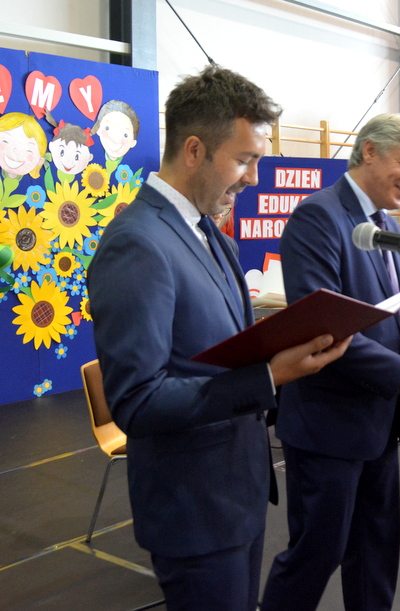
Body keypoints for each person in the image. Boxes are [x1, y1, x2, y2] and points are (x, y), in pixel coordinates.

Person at [87, 65, 350, 611]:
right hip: (193, 510)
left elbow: (218, 354)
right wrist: (269, 376)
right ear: (194, 150)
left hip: (236, 494)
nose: (253, 178)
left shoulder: (211, 234)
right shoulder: (137, 244)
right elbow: (136, 401)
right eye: (245, 159)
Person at [262, 113, 400, 611]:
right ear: (368, 152)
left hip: (378, 426)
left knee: (375, 554)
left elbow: (399, 317)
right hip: (326, 426)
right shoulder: (318, 218)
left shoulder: (387, 226)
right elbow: (323, 329)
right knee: (316, 555)